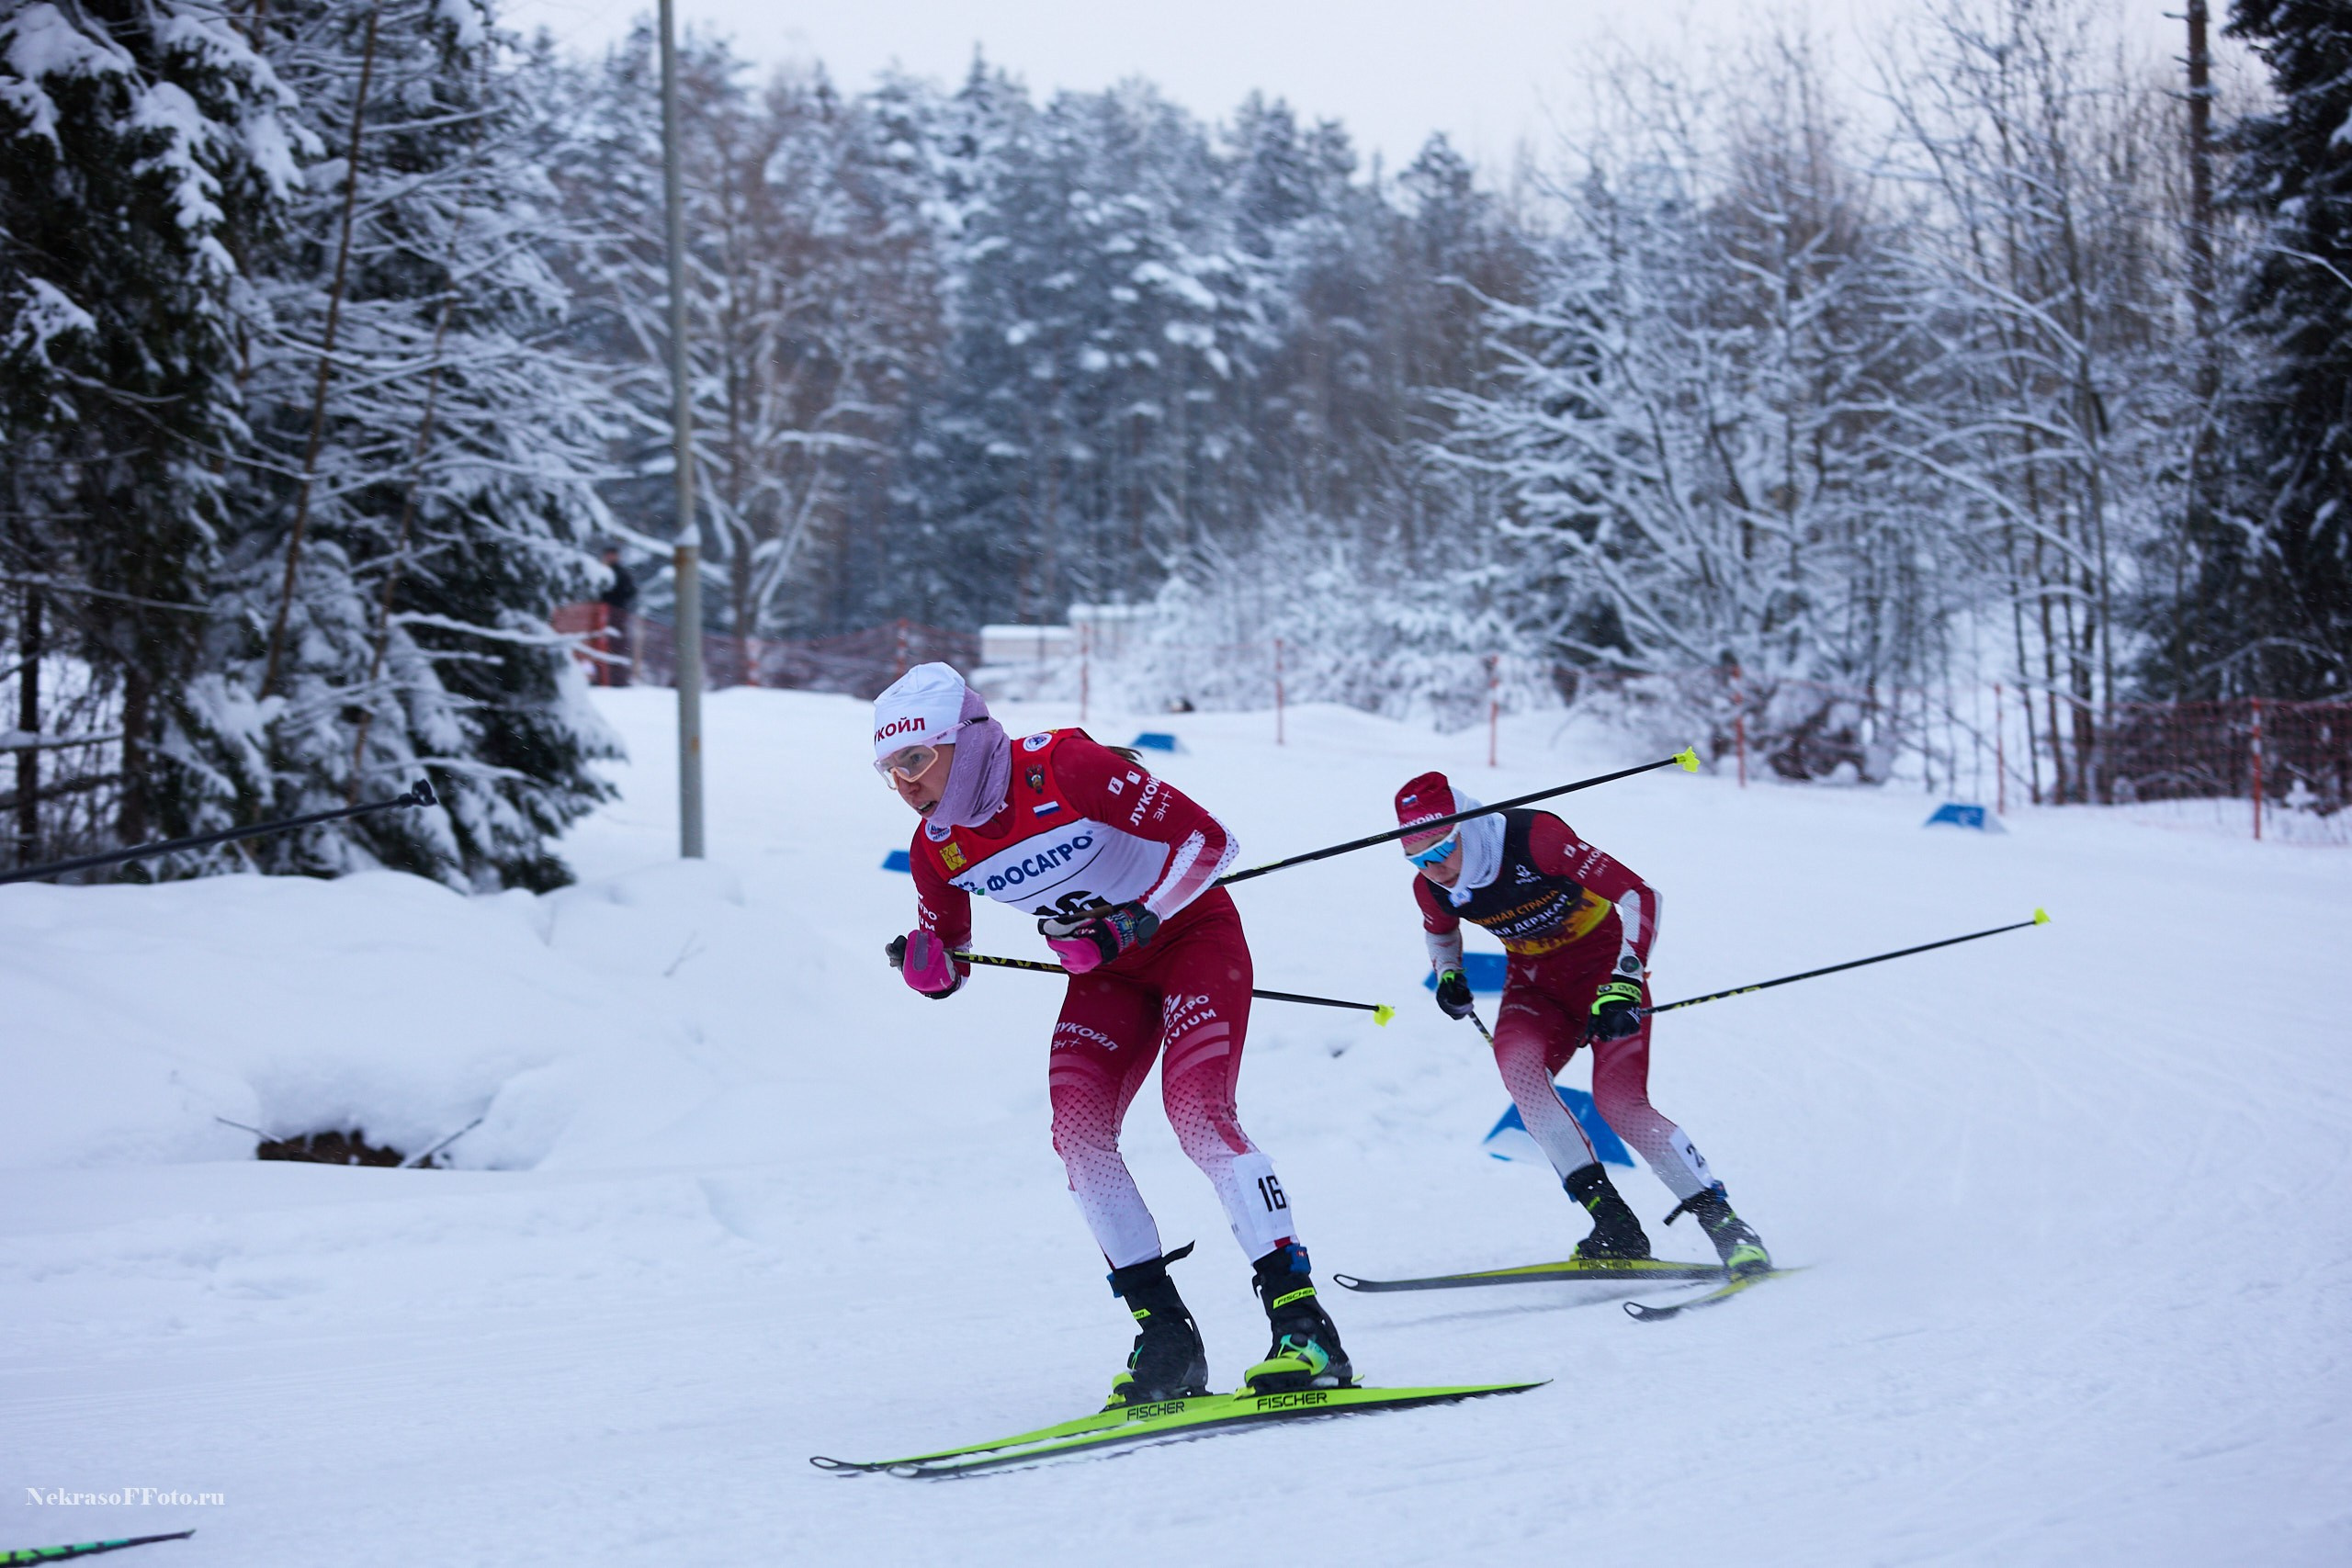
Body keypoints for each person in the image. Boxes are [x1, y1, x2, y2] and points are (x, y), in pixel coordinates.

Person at [875, 662, 1352, 1405]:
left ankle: (1304, 1325)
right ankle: (1165, 1335)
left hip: (1194, 939)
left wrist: (1137, 917)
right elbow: (950, 960)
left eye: (915, 758)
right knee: (1078, 1135)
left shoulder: (1063, 766)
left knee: (1197, 1115)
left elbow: (1212, 843)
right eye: (888, 769)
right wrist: (928, 967)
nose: (904, 782)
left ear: (962, 743)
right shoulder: (936, 848)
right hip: (1106, 977)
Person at [1394, 770, 1771, 1275]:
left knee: (1621, 1105)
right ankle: (1614, 1225)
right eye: (1417, 860)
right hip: (1534, 989)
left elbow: (1641, 896)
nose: (1433, 868)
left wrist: (1626, 980)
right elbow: (1440, 936)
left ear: (1465, 828)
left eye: (1441, 851)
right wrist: (1449, 976)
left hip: (1604, 977)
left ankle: (1729, 1227)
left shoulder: (1535, 839)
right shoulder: (1432, 889)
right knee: (1522, 1078)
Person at [597, 545, 639, 687]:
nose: (609, 557)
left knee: (615, 645)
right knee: (600, 644)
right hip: (600, 614)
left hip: (616, 614)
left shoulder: (621, 573)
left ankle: (616, 679)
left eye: (612, 554)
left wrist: (617, 602)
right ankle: (601, 677)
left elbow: (630, 592)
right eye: (608, 554)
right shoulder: (599, 571)